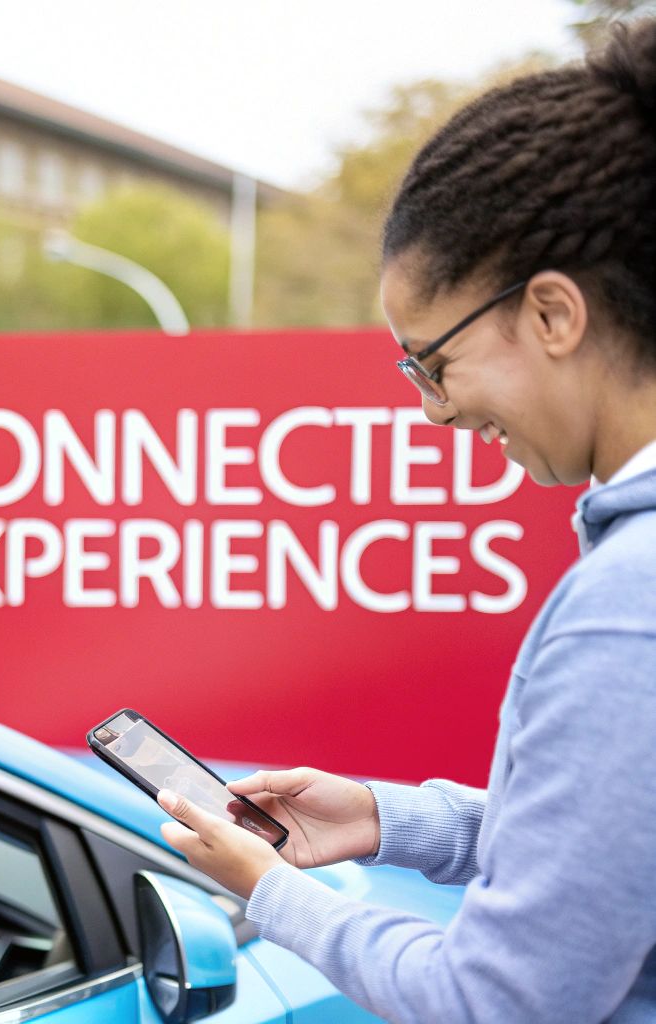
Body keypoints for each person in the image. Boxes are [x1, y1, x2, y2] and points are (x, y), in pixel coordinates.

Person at [156, 22, 656, 1022]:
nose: (432, 409)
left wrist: (269, 889)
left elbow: (496, 1002)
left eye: (431, 361)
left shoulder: (625, 602)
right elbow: (615, 854)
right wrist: (392, 817)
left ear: (553, 315)